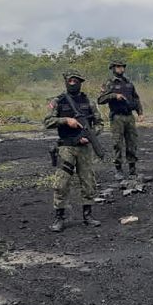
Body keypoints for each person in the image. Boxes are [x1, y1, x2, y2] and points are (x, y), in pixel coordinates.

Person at [43, 71, 103, 232]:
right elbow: (47, 121)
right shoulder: (58, 101)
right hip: (66, 147)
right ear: (66, 82)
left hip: (83, 148)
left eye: (75, 80)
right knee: (61, 183)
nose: (73, 83)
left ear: (80, 82)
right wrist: (65, 120)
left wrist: (90, 136)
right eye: (70, 80)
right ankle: (59, 217)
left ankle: (88, 215)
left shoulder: (88, 101)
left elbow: (99, 123)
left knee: (88, 182)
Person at [98, 60, 144, 180]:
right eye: (118, 67)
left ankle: (132, 169)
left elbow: (136, 98)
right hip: (117, 117)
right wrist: (114, 95)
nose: (121, 69)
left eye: (122, 67)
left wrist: (140, 113)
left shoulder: (128, 82)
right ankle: (118, 169)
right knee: (117, 143)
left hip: (129, 116)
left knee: (132, 143)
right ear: (113, 68)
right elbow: (100, 99)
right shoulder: (109, 83)